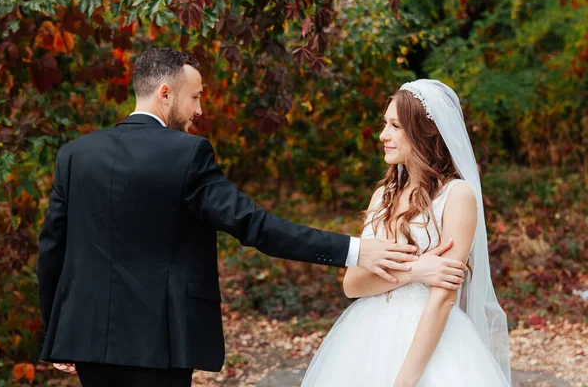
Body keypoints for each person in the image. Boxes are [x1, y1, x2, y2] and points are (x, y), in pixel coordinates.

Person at [37, 49, 466, 387]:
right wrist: (353, 249)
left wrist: (56, 331)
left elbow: (52, 247)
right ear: (165, 93)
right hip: (159, 338)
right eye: (196, 96)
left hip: (86, 334)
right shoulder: (186, 154)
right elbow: (255, 226)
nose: (199, 110)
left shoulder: (75, 154)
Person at [301, 80, 511, 386]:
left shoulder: (457, 196)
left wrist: (403, 382)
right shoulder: (382, 196)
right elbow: (352, 285)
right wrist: (415, 270)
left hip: (431, 343)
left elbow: (443, 299)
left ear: (425, 132)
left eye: (395, 126)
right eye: (385, 124)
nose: (383, 135)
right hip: (366, 338)